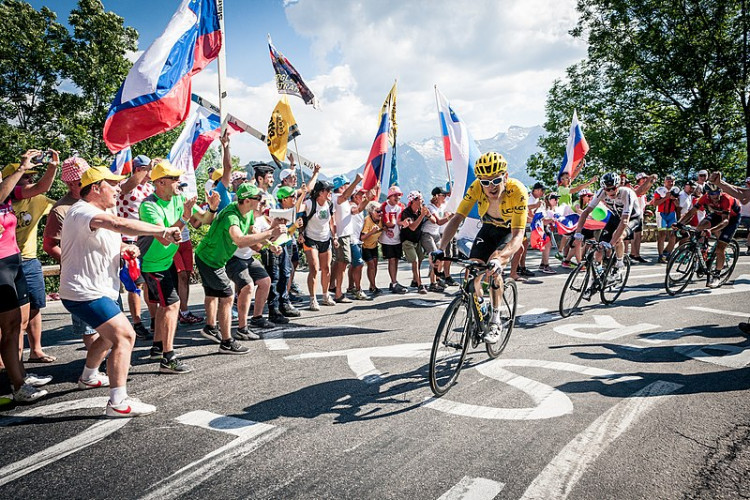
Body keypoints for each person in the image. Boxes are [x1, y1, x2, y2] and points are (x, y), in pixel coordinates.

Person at [59, 165, 182, 416]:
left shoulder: (97, 212)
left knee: (107, 337)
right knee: (125, 336)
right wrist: (162, 230)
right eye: (112, 185)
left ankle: (89, 377)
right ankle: (117, 403)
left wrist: (127, 249)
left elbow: (109, 238)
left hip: (98, 290)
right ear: (95, 188)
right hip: (85, 292)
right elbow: (116, 223)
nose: (118, 189)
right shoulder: (83, 211)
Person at [436, 152, 529, 343]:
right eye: (485, 182)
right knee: (472, 268)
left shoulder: (517, 190)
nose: (491, 186)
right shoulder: (477, 187)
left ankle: (495, 320)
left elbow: (519, 235)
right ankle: (480, 306)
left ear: (505, 176)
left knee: (494, 267)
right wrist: (440, 248)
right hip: (487, 228)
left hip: (508, 231)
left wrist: (499, 259)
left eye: (495, 180)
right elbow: (457, 218)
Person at [137, 161, 220, 374]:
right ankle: (168, 358)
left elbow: (202, 221)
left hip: (167, 261)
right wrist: (184, 215)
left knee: (166, 307)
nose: (178, 182)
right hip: (152, 264)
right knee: (172, 306)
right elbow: (165, 238)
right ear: (161, 183)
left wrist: (211, 207)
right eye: (174, 179)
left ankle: (158, 347)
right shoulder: (148, 206)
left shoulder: (179, 198)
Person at [195, 183, 284, 350]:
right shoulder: (231, 215)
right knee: (227, 296)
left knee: (213, 293)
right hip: (209, 258)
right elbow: (240, 240)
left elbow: (251, 232)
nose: (261, 201)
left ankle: (210, 328)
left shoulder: (247, 212)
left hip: (216, 258)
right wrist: (271, 232)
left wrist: (269, 244)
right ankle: (227, 342)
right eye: (258, 198)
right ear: (248, 200)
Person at [0, 150, 55, 403]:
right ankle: (16, 384)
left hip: (15, 261)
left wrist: (52, 165)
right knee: (8, 327)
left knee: (16, 326)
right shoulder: (3, 191)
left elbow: (39, 187)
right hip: (0, 265)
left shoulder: (11, 197)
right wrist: (21, 168)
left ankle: (19, 377)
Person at [43, 156, 98, 346]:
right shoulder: (61, 209)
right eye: (84, 177)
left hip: (104, 273)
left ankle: (110, 364)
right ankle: (93, 370)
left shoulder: (96, 199)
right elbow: (49, 245)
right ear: (72, 182)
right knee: (90, 327)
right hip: (81, 277)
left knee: (111, 323)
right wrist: (73, 262)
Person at [573, 172, 643, 289]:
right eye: (607, 189)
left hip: (632, 218)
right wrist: (578, 232)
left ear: (618, 186)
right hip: (616, 216)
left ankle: (620, 264)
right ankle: (598, 277)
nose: (610, 192)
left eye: (613, 189)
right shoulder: (601, 192)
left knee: (618, 237)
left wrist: (610, 244)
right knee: (599, 247)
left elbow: (625, 221)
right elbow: (586, 212)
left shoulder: (627, 193)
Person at [116, 154, 159, 336]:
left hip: (146, 240)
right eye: (146, 169)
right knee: (135, 283)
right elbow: (128, 186)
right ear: (138, 170)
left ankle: (155, 319)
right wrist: (146, 169)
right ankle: (137, 322)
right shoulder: (125, 186)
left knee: (149, 282)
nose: (150, 173)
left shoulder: (150, 187)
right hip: (127, 240)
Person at [676, 181, 741, 287]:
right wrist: (679, 223)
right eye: (711, 194)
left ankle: (716, 275)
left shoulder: (726, 199)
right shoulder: (704, 197)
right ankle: (702, 249)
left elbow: (725, 221)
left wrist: (711, 230)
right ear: (707, 193)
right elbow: (692, 212)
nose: (714, 196)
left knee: (720, 248)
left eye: (716, 193)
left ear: (720, 191)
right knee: (700, 226)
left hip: (731, 219)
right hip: (717, 214)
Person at [299, 180, 337, 310]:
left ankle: (325, 296)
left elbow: (332, 222)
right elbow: (299, 213)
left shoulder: (330, 204)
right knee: (314, 268)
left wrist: (334, 236)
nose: (330, 193)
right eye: (328, 190)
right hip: (310, 239)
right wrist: (303, 194)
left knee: (326, 268)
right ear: (321, 192)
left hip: (325, 239)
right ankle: (313, 299)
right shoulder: (310, 203)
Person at [331, 173, 365, 303]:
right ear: (341, 186)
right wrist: (356, 181)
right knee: (342, 264)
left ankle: (337, 290)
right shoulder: (338, 198)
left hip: (346, 236)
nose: (348, 187)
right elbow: (344, 196)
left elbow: (357, 210)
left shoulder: (343, 200)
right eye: (346, 184)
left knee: (343, 264)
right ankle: (338, 293)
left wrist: (367, 198)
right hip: (342, 235)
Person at [380, 186, 408, 294]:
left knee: (396, 260)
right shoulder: (384, 206)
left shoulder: (401, 206)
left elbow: (401, 220)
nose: (398, 198)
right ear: (390, 196)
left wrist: (404, 222)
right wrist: (397, 223)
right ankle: (394, 282)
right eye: (395, 195)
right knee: (391, 260)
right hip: (387, 239)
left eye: (399, 196)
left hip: (397, 237)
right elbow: (388, 223)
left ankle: (394, 282)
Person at [424, 186, 452, 287]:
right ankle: (433, 282)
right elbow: (439, 222)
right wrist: (450, 217)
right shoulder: (430, 207)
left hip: (436, 234)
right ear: (436, 196)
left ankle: (438, 278)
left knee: (442, 256)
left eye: (445, 195)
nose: (445, 197)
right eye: (443, 195)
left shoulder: (441, 205)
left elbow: (450, 199)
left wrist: (450, 194)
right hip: (427, 234)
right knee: (435, 257)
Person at [629, 172, 658, 263]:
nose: (645, 180)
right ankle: (634, 254)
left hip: (640, 214)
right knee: (635, 236)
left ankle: (636, 254)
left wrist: (647, 208)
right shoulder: (637, 188)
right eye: (643, 179)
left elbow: (641, 202)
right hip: (635, 215)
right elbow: (641, 191)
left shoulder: (643, 190)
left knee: (639, 235)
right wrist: (650, 181)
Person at [652, 175, 679, 263]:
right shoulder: (659, 190)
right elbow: (655, 203)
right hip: (661, 213)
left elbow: (678, 205)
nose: (670, 183)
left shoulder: (676, 190)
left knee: (673, 234)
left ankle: (668, 254)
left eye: (672, 181)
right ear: (664, 182)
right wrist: (666, 198)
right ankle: (660, 255)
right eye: (668, 181)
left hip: (671, 214)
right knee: (662, 234)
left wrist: (674, 199)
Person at [360, 201, 384, 296]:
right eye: (378, 211)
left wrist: (384, 230)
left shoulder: (381, 220)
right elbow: (362, 237)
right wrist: (372, 232)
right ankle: (374, 287)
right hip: (365, 246)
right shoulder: (367, 220)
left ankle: (372, 285)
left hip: (374, 245)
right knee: (371, 266)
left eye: (381, 211)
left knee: (375, 265)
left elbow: (381, 228)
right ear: (371, 212)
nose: (380, 213)